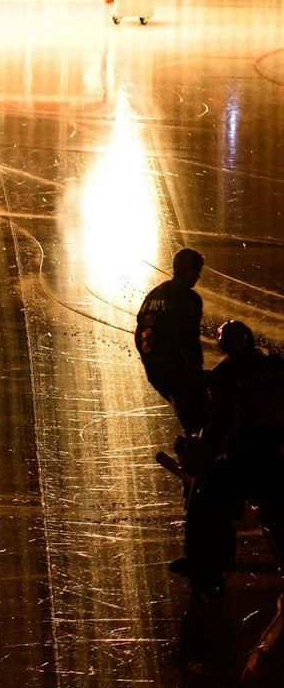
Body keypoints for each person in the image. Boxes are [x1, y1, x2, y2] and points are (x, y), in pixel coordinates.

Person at [168, 321, 284, 594]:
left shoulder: (224, 374)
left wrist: (201, 445)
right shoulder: (277, 366)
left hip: (246, 460)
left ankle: (205, 565)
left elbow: (225, 422)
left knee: (204, 497)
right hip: (277, 457)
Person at [136, 248, 207, 434]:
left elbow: (138, 333)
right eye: (197, 271)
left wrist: (148, 360)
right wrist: (197, 372)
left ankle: (191, 446)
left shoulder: (153, 294)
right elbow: (188, 340)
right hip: (178, 370)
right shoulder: (189, 298)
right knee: (203, 417)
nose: (198, 277)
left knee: (187, 415)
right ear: (187, 270)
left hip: (155, 370)